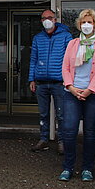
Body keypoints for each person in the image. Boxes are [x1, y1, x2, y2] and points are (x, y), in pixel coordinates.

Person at [59, 9, 95, 183]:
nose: (86, 25)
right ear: (79, 25)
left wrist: (89, 90)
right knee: (69, 131)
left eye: (90, 22)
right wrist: (71, 87)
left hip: (94, 94)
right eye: (83, 22)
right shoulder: (72, 44)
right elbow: (65, 67)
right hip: (72, 93)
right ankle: (68, 167)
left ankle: (87, 168)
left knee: (89, 133)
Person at [28, 9, 72, 154]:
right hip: (41, 82)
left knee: (61, 114)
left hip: (59, 83)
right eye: (44, 18)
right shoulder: (37, 38)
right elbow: (33, 59)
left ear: (55, 19)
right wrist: (31, 79)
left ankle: (62, 142)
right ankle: (43, 140)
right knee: (43, 114)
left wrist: (69, 80)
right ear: (41, 21)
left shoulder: (66, 36)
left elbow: (70, 60)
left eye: (50, 17)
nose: (47, 20)